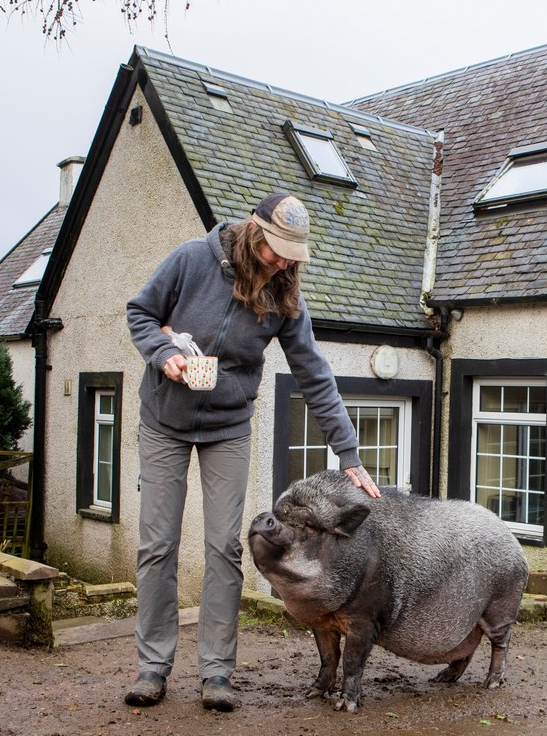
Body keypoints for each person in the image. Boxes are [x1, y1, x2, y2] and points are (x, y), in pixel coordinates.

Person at [123, 191, 381, 712]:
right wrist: (165, 353)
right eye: (276, 249)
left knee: (225, 547)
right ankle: (152, 667)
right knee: (158, 545)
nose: (283, 261)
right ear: (254, 231)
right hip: (164, 422)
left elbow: (313, 373)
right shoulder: (192, 260)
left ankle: (216, 673)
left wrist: (348, 453)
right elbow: (141, 314)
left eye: (293, 254)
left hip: (228, 426)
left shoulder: (285, 297)